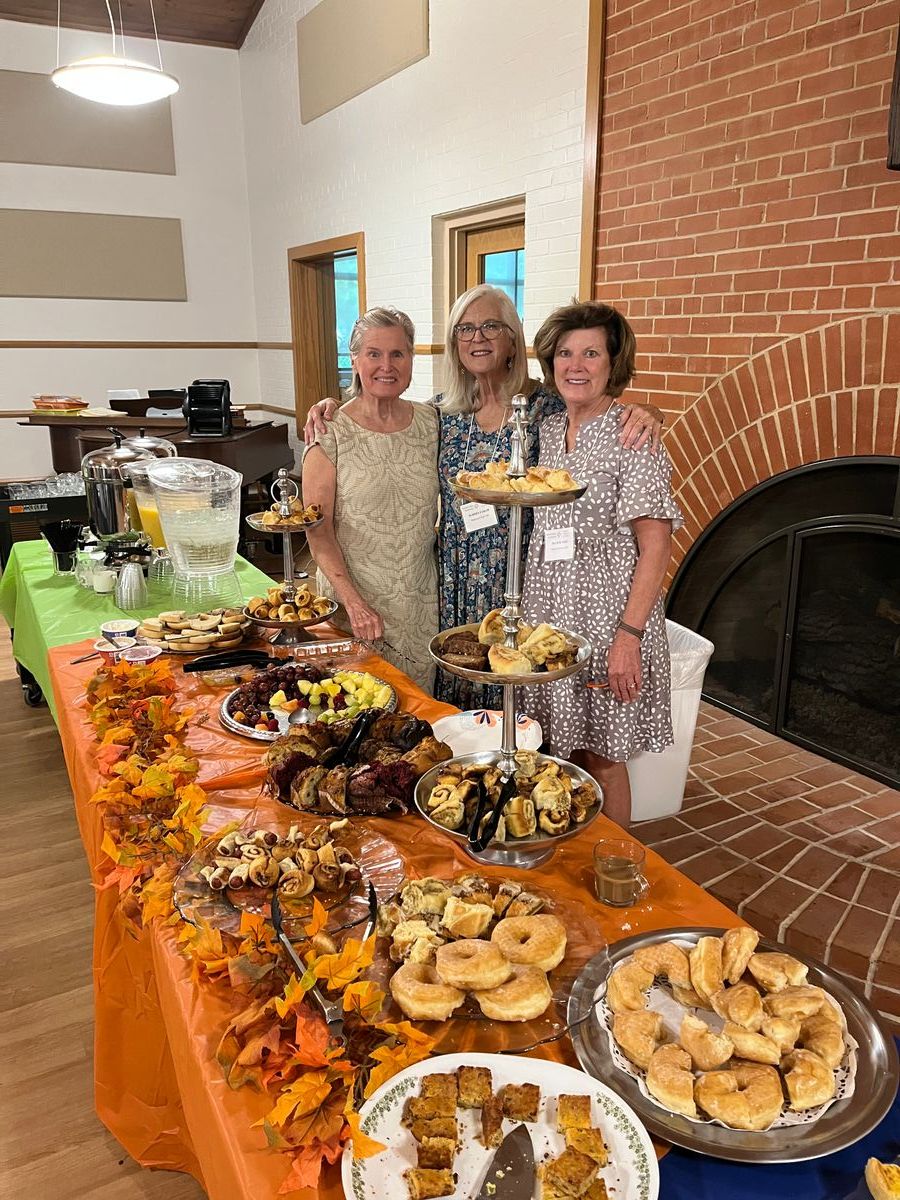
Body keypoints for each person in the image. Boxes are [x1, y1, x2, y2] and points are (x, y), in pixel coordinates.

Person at [304, 285, 664, 709]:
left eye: (491, 326)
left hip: (523, 578)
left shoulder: (547, 407)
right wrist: (328, 404)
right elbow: (374, 413)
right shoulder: (442, 412)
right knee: (454, 696)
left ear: (512, 336)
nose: (478, 338)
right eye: (466, 329)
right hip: (454, 579)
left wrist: (648, 412)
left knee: (524, 692)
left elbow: (599, 411)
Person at [522, 300, 683, 828]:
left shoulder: (633, 436)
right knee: (556, 754)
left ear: (613, 363)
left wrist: (628, 636)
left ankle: (615, 866)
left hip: (607, 618)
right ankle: (565, 867)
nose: (576, 365)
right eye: (565, 353)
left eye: (591, 353)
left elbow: (655, 547)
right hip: (550, 614)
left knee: (603, 760)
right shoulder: (547, 432)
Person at [302, 306, 439, 691]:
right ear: (355, 360)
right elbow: (318, 533)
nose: (386, 365)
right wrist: (354, 602)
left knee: (420, 715)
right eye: (374, 354)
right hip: (356, 606)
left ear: (411, 358)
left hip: (421, 604)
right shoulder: (329, 432)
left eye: (398, 353)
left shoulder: (432, 421)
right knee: (360, 712)